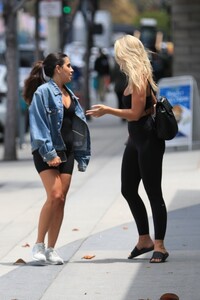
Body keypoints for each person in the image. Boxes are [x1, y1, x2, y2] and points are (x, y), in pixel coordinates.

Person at [86, 35, 169, 263]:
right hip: (135, 140)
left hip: (149, 140)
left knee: (153, 192)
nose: (116, 56)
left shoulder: (141, 75)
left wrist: (107, 110)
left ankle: (160, 245)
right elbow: (135, 117)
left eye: (118, 52)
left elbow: (134, 114)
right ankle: (144, 239)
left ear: (127, 53)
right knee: (128, 189)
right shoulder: (130, 77)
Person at [23, 52, 91, 265]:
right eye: (69, 66)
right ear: (57, 69)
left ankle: (52, 249)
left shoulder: (70, 94)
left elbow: (74, 126)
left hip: (68, 152)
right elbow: (38, 125)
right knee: (54, 194)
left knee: (60, 200)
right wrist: (49, 153)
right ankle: (38, 244)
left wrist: (80, 154)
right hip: (47, 151)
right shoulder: (43, 93)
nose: (72, 69)